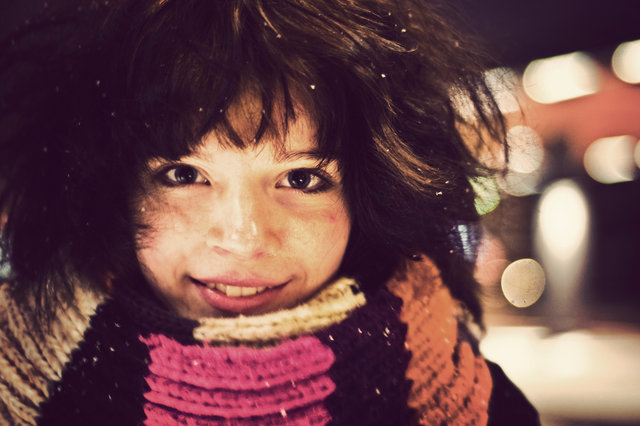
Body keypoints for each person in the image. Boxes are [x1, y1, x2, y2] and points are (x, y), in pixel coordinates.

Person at [0, 0, 539, 424]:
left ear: (371, 194)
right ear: (110, 186)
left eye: (301, 179)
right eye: (184, 174)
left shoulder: (481, 405)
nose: (244, 237)